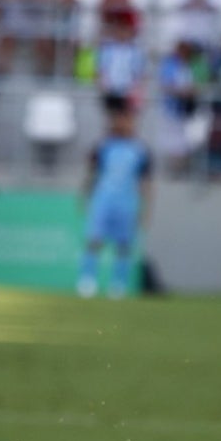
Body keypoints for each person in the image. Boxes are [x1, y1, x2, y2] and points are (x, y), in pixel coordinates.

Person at [77, 99, 151, 299]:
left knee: (124, 245)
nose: (123, 123)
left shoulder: (140, 149)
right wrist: (85, 194)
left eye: (127, 119)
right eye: (119, 119)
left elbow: (145, 182)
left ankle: (118, 285)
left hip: (126, 202)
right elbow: (92, 172)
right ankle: (87, 281)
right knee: (94, 240)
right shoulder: (104, 145)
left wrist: (145, 209)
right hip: (104, 200)